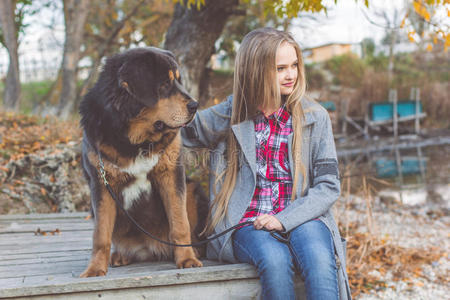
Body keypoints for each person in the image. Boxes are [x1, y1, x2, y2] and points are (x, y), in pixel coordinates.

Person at [181, 27, 351, 300]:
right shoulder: (231, 113)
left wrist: (282, 220)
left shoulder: (315, 117)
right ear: (256, 72)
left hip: (302, 216)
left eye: (294, 65)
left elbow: (328, 186)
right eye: (280, 67)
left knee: (320, 260)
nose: (291, 74)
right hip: (246, 222)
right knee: (274, 260)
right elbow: (179, 133)